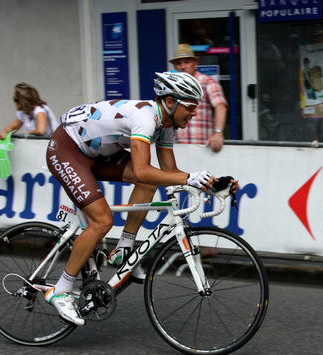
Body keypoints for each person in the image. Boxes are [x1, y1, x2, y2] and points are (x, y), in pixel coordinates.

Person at [44, 72, 230, 326]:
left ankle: (124, 249)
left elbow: (169, 174)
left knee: (150, 180)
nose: (195, 113)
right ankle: (61, 290)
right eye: (190, 107)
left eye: (196, 107)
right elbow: (143, 169)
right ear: (170, 101)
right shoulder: (145, 119)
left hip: (97, 153)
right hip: (67, 149)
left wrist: (214, 184)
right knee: (102, 221)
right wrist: (189, 178)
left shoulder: (166, 126)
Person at [169, 43, 228, 152]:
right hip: (177, 148)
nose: (182, 66)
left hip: (202, 148)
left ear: (195, 63)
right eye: (178, 63)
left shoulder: (207, 82)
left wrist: (218, 133)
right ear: (174, 67)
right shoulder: (171, 86)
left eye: (187, 62)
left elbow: (220, 106)